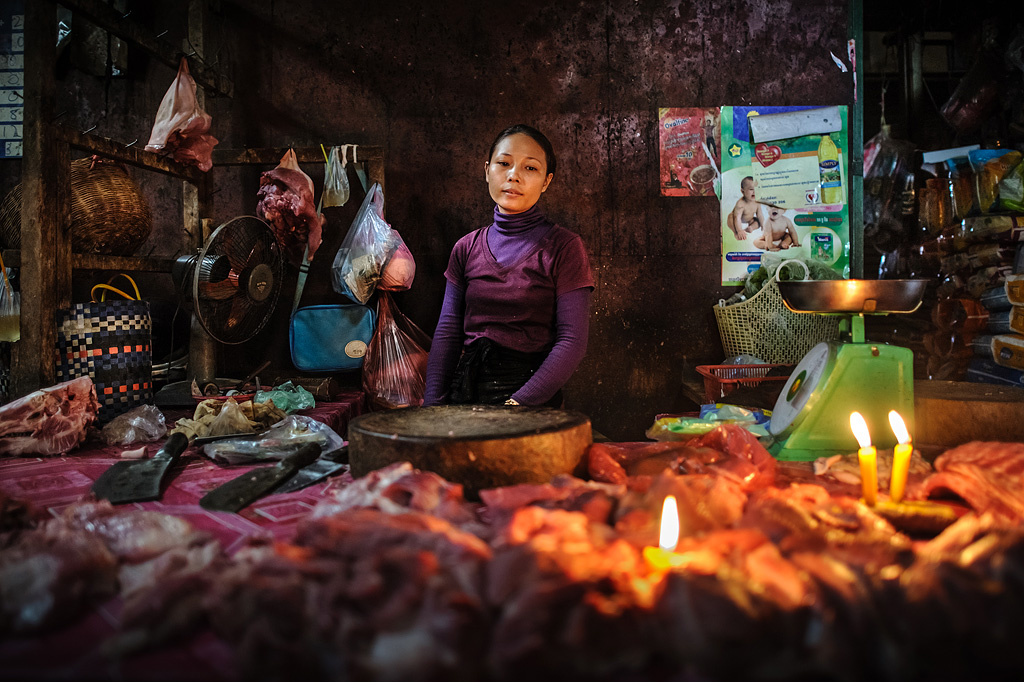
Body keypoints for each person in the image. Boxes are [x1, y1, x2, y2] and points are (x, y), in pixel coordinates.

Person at [422, 124, 594, 408]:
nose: (513, 175)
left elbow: (572, 341)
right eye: (504, 163)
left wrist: (518, 404)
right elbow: (448, 330)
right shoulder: (466, 248)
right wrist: (433, 406)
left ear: (546, 181)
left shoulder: (565, 247)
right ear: (487, 170)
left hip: (531, 400)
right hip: (466, 395)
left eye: (530, 168)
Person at [726, 176, 763, 240]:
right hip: (736, 220)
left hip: (749, 219)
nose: (754, 191)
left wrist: (763, 225)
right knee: (730, 217)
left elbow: (760, 215)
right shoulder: (741, 203)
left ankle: (751, 228)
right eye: (751, 189)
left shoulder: (757, 202)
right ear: (743, 191)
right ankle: (736, 233)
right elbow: (737, 218)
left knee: (758, 220)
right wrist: (739, 230)